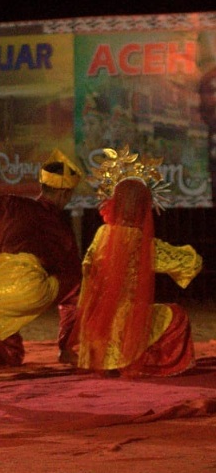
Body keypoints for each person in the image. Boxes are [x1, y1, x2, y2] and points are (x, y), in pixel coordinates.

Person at [75, 146, 200, 377]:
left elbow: (86, 269)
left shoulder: (102, 234)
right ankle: (150, 363)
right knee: (177, 314)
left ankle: (108, 358)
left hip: (94, 329)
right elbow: (188, 263)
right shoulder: (142, 243)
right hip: (125, 326)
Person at [0, 150, 84, 366]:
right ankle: (68, 349)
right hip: (28, 291)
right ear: (63, 194)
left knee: (9, 356)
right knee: (79, 288)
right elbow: (71, 271)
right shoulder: (60, 227)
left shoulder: (11, 204)